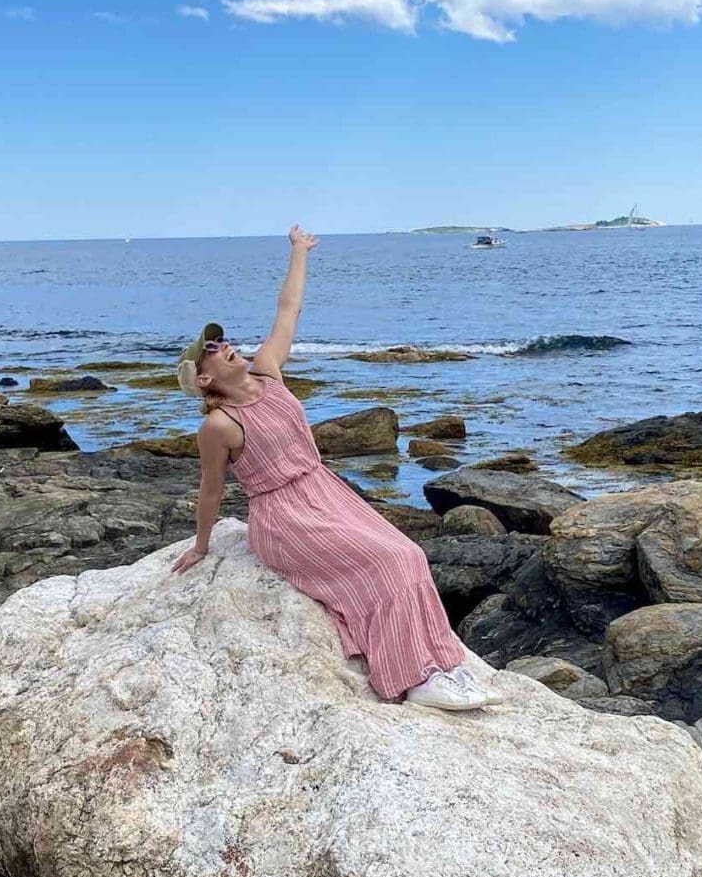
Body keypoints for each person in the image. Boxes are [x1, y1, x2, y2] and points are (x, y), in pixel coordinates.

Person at [170, 226, 489, 711]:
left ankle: (441, 663)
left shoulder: (267, 371)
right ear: (206, 377)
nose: (224, 344)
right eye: (212, 349)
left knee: (409, 552)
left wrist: (298, 251)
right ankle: (412, 679)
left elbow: (288, 309)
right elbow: (210, 490)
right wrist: (201, 546)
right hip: (284, 517)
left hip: (326, 491)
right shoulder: (219, 425)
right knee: (388, 563)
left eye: (222, 339)